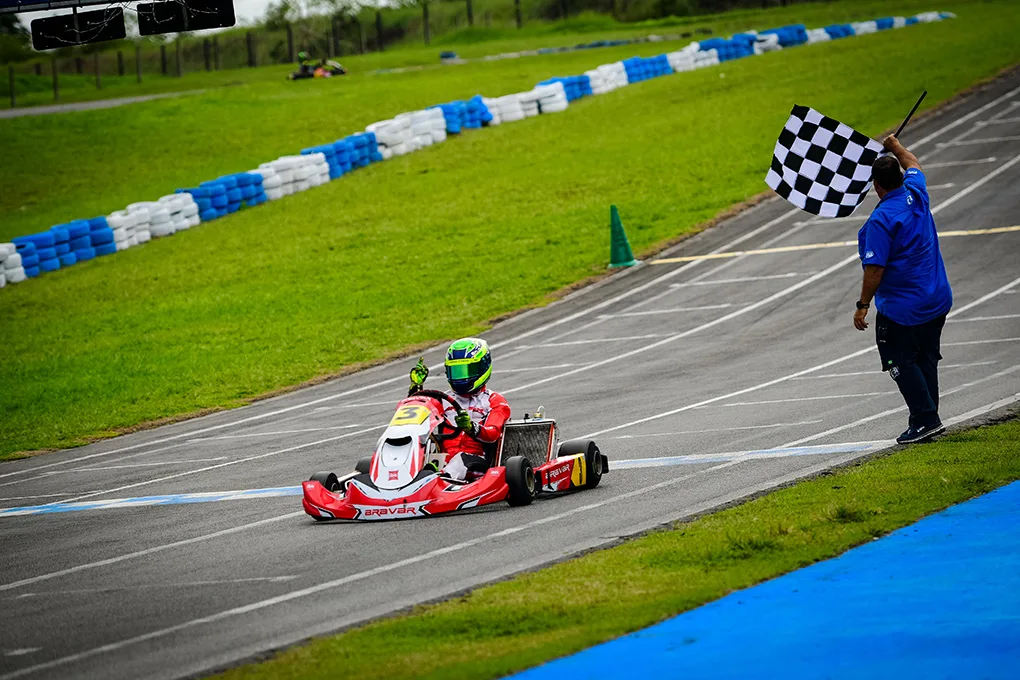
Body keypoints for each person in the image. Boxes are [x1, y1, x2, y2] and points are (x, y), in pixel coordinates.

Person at [853, 135, 953, 444]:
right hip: (936, 298)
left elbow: (875, 269)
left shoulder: (882, 220)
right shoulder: (916, 191)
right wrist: (896, 146)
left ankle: (924, 418)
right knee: (925, 358)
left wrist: (863, 304)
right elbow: (913, 163)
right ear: (900, 178)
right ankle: (928, 418)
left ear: (876, 186)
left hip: (903, 308)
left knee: (898, 359)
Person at [408, 338, 510, 481]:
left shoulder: (494, 401)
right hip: (441, 461)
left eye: (466, 370)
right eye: (456, 372)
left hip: (478, 463)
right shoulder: (442, 399)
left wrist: (470, 427)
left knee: (460, 459)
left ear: (482, 367)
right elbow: (415, 416)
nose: (461, 378)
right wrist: (415, 388)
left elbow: (492, 433)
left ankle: (437, 480)